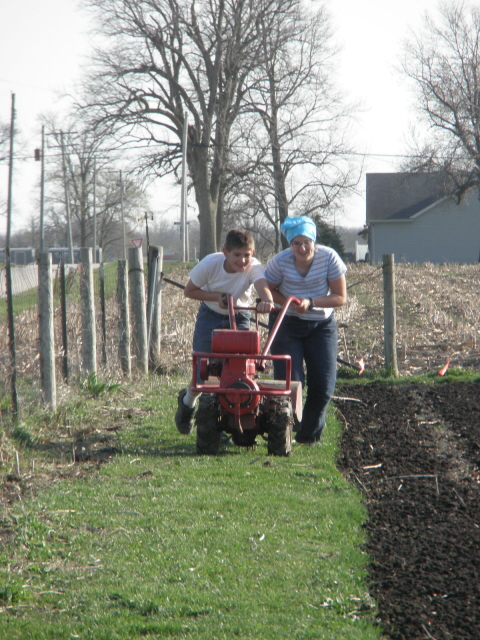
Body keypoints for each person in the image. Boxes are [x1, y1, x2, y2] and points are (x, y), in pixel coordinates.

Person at [175, 228, 274, 434]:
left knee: (238, 371)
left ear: (253, 253)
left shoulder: (253, 267)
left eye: (246, 255)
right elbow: (189, 291)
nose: (242, 260)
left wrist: (267, 300)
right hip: (210, 316)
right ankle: (187, 403)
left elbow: (262, 285)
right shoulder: (210, 264)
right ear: (225, 252)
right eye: (237, 255)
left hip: (240, 316)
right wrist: (216, 296)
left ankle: (227, 420)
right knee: (203, 371)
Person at [265, 215, 347, 445]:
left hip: (321, 326)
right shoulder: (279, 263)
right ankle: (286, 431)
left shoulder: (329, 257)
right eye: (296, 243)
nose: (302, 248)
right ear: (290, 246)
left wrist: (310, 302)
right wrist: (290, 301)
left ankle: (308, 437)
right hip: (286, 323)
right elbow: (268, 292)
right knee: (291, 383)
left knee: (323, 384)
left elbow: (340, 297)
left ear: (314, 241)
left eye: (306, 242)